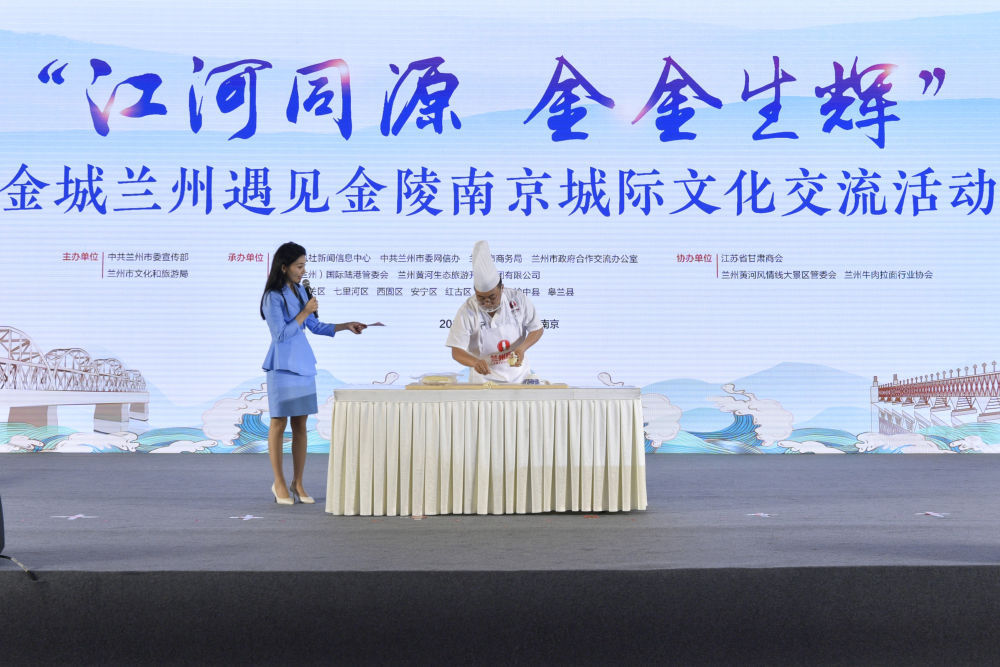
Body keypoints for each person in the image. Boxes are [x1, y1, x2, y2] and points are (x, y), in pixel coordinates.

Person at [260, 242, 366, 504]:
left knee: (300, 425)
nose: (303, 271)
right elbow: (280, 334)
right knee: (278, 423)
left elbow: (315, 326)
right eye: (299, 266)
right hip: (282, 366)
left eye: (304, 265)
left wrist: (346, 325)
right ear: (284, 267)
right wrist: (304, 311)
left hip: (304, 365)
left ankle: (297, 482)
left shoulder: (300, 291)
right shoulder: (272, 296)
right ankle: (279, 482)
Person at [446, 240, 543, 383]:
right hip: (484, 380)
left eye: (492, 297)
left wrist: (522, 349)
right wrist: (475, 362)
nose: (487, 302)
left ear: (502, 289)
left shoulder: (518, 299)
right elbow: (456, 351)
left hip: (519, 377)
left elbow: (537, 329)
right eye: (481, 298)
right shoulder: (467, 310)